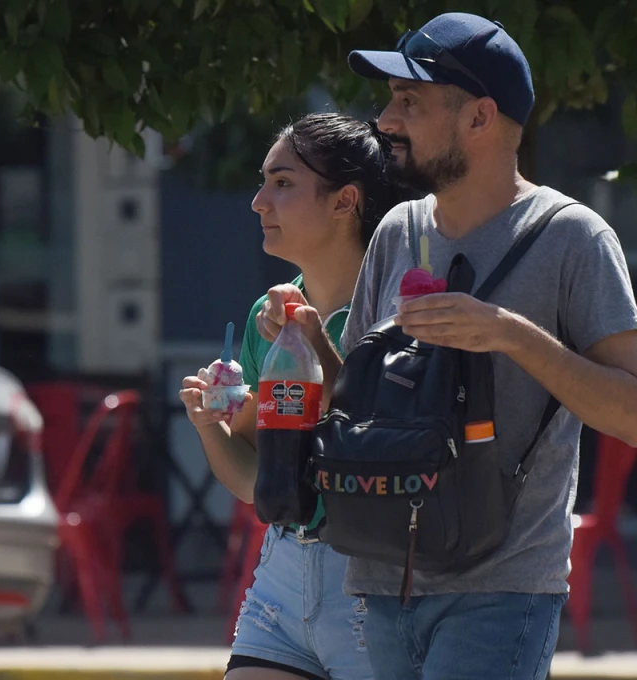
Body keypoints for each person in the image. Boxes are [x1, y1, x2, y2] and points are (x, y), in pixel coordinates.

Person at [256, 13, 637, 679]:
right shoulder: (396, 230)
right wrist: (306, 337)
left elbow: (635, 414)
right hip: (383, 581)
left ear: (479, 118)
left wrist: (509, 333)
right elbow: (354, 399)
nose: (384, 119)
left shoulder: (573, 238)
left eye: (408, 102)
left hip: (500, 588)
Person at [178, 112, 408, 680]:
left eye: (282, 183)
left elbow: (385, 442)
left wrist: (315, 342)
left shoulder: (396, 315)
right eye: (263, 182)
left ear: (343, 201)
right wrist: (209, 423)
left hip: (371, 583)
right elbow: (260, 482)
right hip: (282, 575)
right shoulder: (268, 316)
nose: (259, 201)